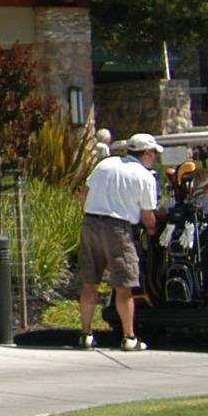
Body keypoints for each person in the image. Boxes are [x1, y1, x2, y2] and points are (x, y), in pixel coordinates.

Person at [77, 133, 163, 349]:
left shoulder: (105, 164)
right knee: (124, 285)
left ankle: (86, 334)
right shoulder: (144, 176)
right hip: (119, 229)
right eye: (153, 154)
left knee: (90, 283)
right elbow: (147, 216)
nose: (154, 159)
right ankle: (129, 337)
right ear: (145, 153)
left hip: (90, 224)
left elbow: (84, 195)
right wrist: (153, 230)